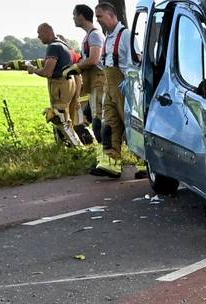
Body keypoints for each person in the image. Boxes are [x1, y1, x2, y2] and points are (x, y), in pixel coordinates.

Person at [92, 2, 131, 178]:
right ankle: (112, 163)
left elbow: (135, 62)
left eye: (99, 16)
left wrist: (130, 83)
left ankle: (144, 164)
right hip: (109, 86)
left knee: (130, 125)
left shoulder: (126, 36)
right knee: (109, 124)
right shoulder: (108, 37)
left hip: (123, 86)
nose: (97, 20)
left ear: (111, 15)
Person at [28, 23, 83, 146]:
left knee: (60, 118)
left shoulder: (53, 47)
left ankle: (78, 147)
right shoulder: (64, 45)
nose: (38, 37)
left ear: (48, 32)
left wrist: (33, 70)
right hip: (69, 84)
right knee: (64, 118)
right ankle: (69, 145)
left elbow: (48, 71)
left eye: (39, 33)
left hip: (59, 86)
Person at [72, 4, 105, 144]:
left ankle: (108, 156)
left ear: (81, 16)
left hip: (99, 82)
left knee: (99, 121)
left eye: (74, 15)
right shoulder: (88, 36)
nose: (73, 18)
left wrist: (76, 67)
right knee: (85, 118)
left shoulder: (95, 35)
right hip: (92, 83)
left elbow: (94, 59)